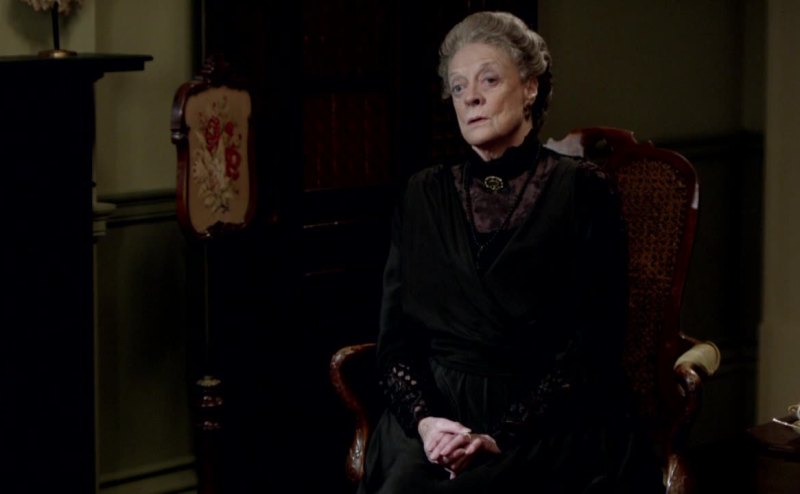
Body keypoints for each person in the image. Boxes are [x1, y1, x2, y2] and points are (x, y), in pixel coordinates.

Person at [358, 11, 662, 494]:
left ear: (530, 89)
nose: (471, 97)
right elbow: (395, 339)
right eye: (458, 87)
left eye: (489, 79)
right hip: (436, 418)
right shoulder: (421, 194)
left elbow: (595, 344)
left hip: (547, 420)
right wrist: (426, 423)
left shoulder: (582, 191)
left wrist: (501, 436)